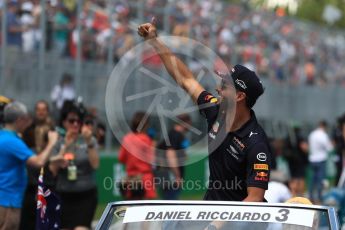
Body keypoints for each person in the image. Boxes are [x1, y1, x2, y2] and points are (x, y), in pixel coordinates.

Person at [138, 21, 272, 203]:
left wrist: (220, 223)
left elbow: (254, 199)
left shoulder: (257, 143)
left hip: (241, 221)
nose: (218, 89)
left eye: (225, 86)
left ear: (239, 96)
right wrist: (154, 41)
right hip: (212, 211)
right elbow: (186, 79)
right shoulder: (216, 110)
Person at [0, 102, 58, 230]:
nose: (28, 122)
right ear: (19, 120)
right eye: (26, 119)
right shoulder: (12, 141)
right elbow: (38, 162)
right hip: (8, 200)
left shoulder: (5, 137)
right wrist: (52, 143)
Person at [49, 104, 99, 230]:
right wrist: (65, 146)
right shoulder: (58, 142)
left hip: (85, 195)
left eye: (79, 121)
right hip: (64, 195)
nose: (75, 124)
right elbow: (52, 171)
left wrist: (89, 143)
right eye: (71, 121)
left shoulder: (88, 139)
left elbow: (95, 165)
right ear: (64, 122)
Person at [19, 100, 55, 230]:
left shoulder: (53, 131)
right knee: (28, 221)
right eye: (38, 109)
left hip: (49, 180)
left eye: (43, 109)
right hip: (31, 182)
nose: (41, 112)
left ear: (47, 112)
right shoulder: (27, 131)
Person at [119, 112, 157, 200]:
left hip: (130, 179)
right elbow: (152, 160)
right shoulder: (146, 139)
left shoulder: (127, 138)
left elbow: (121, 158)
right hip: (145, 178)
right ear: (145, 124)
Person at [156, 114, 191, 200]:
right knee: (170, 203)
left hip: (166, 175)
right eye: (190, 124)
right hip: (170, 176)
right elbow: (170, 155)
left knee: (167, 202)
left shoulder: (172, 134)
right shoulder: (175, 135)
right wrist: (177, 176)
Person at [308, 121, 333, 203]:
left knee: (313, 179)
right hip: (321, 159)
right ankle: (319, 197)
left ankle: (311, 196)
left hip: (312, 159)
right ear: (324, 126)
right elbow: (329, 148)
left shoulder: (312, 134)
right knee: (320, 179)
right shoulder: (323, 135)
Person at [285, 126, 309, 197]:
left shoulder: (288, 137)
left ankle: (293, 194)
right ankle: (300, 195)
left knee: (293, 178)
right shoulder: (300, 137)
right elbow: (304, 147)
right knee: (301, 178)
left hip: (291, 160)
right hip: (300, 160)